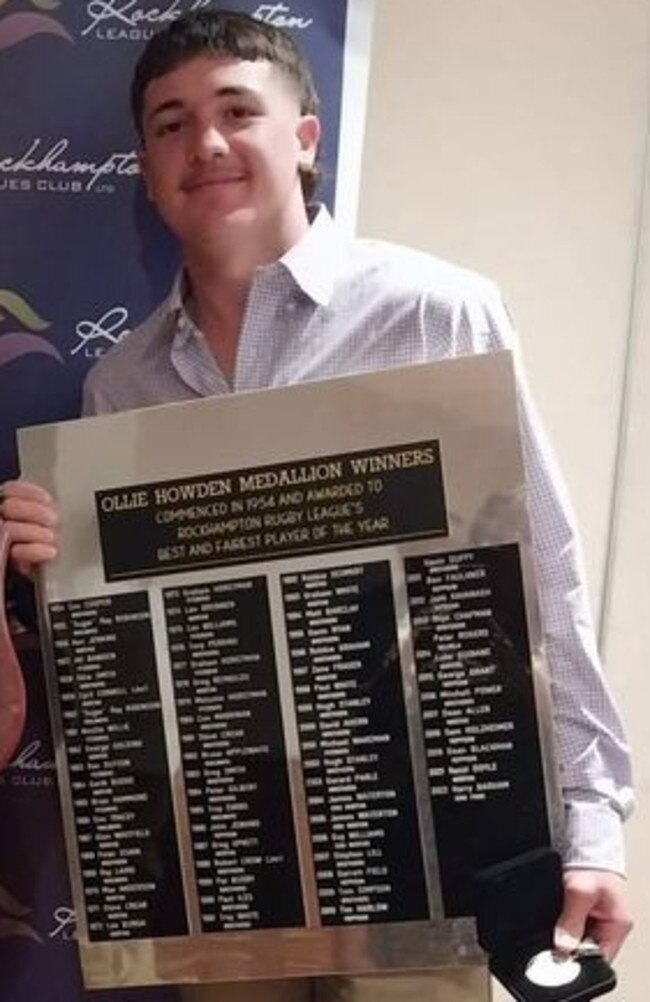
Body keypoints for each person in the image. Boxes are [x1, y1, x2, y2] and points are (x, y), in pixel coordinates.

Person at [0, 9, 633, 1000]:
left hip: (426, 860)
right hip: (223, 875)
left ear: (304, 137)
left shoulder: (434, 310)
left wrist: (594, 828)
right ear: (145, 164)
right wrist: (57, 575)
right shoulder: (120, 384)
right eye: (169, 123)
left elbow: (537, 577)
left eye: (234, 110)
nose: (203, 143)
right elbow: (135, 660)